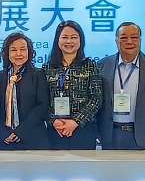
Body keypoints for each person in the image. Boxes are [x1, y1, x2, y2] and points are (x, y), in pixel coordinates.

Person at [97, 22, 145, 149]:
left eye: (134, 37)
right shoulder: (103, 66)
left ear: (140, 40)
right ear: (116, 41)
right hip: (110, 135)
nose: (129, 41)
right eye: (123, 38)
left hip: (144, 136)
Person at [42, 20, 103, 150]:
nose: (69, 41)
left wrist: (75, 121)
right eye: (64, 37)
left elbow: (96, 99)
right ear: (57, 40)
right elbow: (42, 100)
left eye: (74, 37)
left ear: (80, 40)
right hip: (55, 129)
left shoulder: (90, 66)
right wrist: (53, 120)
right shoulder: (47, 68)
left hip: (83, 129)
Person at [0, 32, 50, 150]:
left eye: (23, 49)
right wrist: (3, 132)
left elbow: (42, 106)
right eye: (13, 50)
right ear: (7, 53)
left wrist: (20, 132)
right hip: (5, 140)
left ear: (29, 52)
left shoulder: (38, 75)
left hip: (33, 138)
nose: (18, 54)